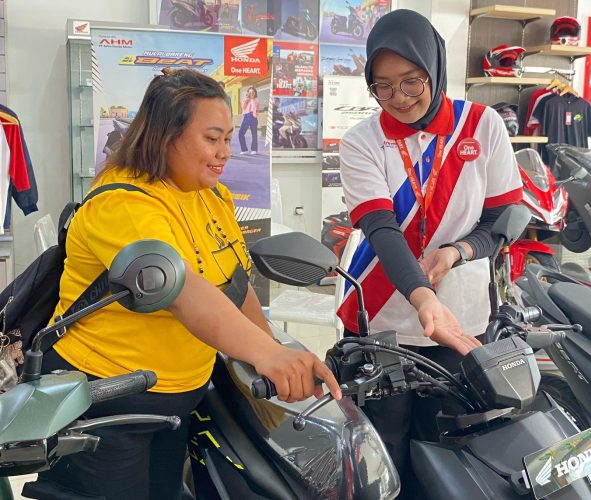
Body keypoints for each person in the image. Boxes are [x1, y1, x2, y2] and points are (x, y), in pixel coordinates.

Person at [36, 68, 341, 500]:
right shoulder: (123, 204)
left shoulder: (211, 196)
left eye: (229, 139)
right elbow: (184, 293)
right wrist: (268, 354)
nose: (224, 153)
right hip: (105, 403)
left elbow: (234, 286)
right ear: (165, 136)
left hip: (178, 401)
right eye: (212, 138)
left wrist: (275, 352)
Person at [337, 9, 522, 498]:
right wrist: (422, 297)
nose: (399, 97)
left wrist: (458, 251)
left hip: (460, 319)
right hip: (380, 317)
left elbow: (502, 220)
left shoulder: (481, 125)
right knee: (382, 455)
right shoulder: (361, 141)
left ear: (435, 68)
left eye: (411, 81)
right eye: (383, 86)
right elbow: (380, 228)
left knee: (451, 450)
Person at [238, 85, 259, 155]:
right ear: (248, 93)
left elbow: (256, 109)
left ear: (255, 93)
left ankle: (254, 149)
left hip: (253, 117)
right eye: (250, 92)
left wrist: (255, 115)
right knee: (241, 133)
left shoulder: (256, 100)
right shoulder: (245, 100)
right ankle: (244, 149)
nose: (251, 94)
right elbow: (243, 107)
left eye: (253, 92)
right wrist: (247, 99)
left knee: (254, 134)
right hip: (246, 116)